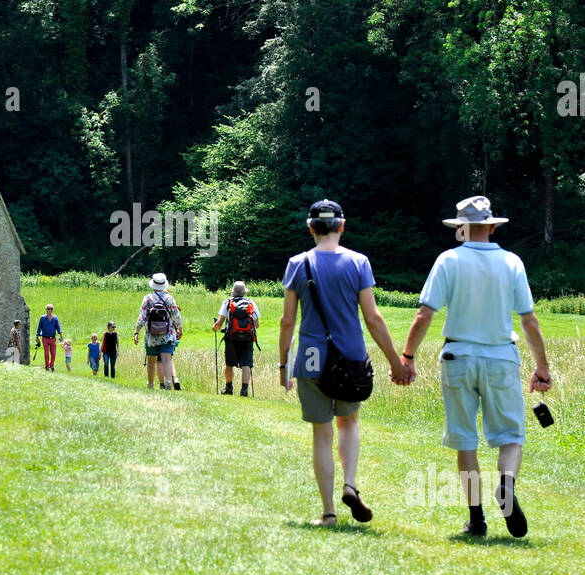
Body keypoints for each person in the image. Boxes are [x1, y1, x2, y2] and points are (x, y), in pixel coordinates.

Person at [399, 196, 552, 539]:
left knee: (465, 441)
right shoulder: (512, 262)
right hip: (501, 357)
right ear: (494, 226)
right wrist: (542, 370)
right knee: (511, 436)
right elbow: (530, 322)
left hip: (458, 358)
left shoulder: (448, 260)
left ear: (460, 228)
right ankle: (506, 487)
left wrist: (407, 358)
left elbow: (424, 315)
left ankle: (476, 518)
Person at [279, 199, 408, 526]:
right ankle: (350, 484)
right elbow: (373, 318)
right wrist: (395, 361)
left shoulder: (297, 264)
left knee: (321, 434)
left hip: (310, 357)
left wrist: (283, 365)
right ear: (341, 225)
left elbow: (286, 322)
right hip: (350, 355)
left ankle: (329, 513)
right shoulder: (359, 262)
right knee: (348, 423)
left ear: (311, 227)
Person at [134, 272, 183, 390]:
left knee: (151, 360)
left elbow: (142, 317)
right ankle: (168, 383)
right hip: (167, 333)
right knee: (167, 359)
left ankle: (150, 385)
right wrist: (180, 328)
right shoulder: (169, 298)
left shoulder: (147, 298)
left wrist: (136, 332)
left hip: (151, 335)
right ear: (164, 285)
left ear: (153, 285)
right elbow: (176, 315)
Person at [213, 280, 260, 396]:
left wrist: (214, 327)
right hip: (247, 338)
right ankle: (244, 391)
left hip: (231, 338)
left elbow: (219, 323)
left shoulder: (227, 302)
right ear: (244, 292)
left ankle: (229, 388)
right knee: (246, 364)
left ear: (233, 292)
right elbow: (257, 325)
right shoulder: (251, 303)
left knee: (229, 363)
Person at [36, 304, 62, 371]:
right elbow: (39, 328)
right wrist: (37, 336)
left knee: (53, 354)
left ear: (52, 310)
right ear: (46, 310)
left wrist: (61, 335)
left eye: (51, 309)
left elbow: (58, 327)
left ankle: (51, 364)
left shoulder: (55, 318)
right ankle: (47, 367)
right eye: (48, 309)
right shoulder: (42, 318)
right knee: (46, 353)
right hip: (45, 338)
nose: (50, 310)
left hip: (53, 338)